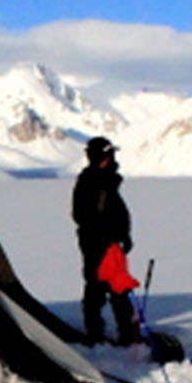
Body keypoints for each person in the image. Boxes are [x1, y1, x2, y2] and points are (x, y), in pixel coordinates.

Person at [71, 136, 141, 345]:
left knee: (116, 287)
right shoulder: (92, 182)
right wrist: (107, 238)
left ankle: (124, 332)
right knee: (98, 287)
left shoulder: (105, 181)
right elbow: (84, 216)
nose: (112, 159)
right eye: (109, 155)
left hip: (109, 244)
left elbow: (114, 213)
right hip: (98, 245)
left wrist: (123, 236)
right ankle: (96, 333)